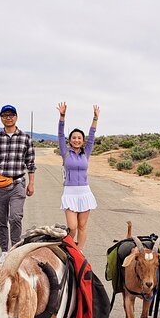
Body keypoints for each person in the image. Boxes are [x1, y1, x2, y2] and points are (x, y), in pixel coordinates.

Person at [0, 104, 36, 254]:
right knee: (1, 222)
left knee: (15, 218)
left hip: (18, 184)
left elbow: (30, 163)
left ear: (16, 117)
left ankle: (15, 250)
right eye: (5, 115)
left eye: (11, 115)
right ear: (1, 118)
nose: (8, 117)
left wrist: (31, 184)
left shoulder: (25, 139)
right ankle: (5, 252)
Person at [57, 102, 99, 250]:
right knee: (72, 227)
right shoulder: (65, 152)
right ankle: (69, 249)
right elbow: (60, 134)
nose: (76, 140)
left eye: (79, 138)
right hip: (70, 193)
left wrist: (95, 118)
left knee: (82, 226)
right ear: (70, 140)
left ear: (82, 141)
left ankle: (79, 253)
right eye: (74, 138)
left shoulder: (86, 153)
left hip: (84, 192)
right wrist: (62, 117)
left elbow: (92, 136)